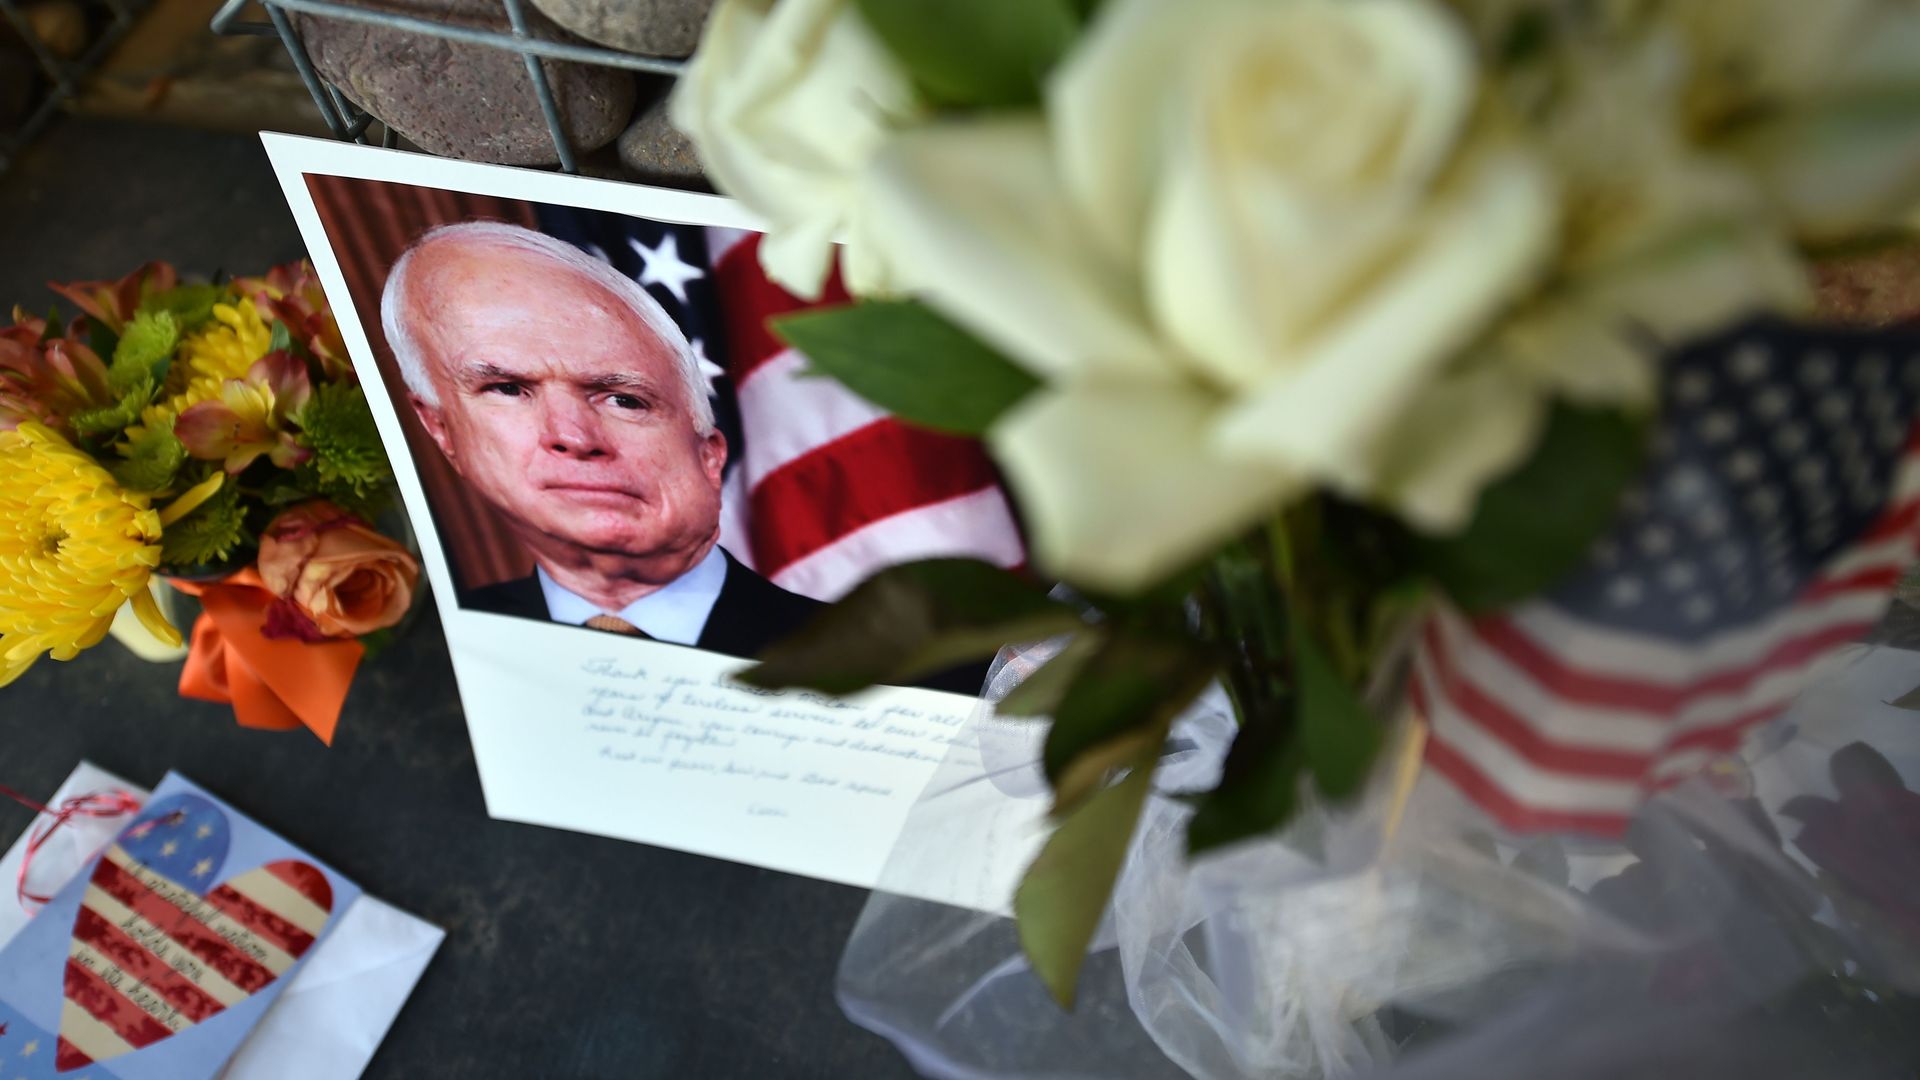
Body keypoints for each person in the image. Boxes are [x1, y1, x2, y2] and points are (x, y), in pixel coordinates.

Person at [379, 220, 822, 660]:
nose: (573, 436)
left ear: (710, 457)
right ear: (440, 428)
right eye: (509, 389)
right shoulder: (440, 654)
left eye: (624, 400)